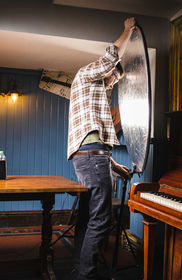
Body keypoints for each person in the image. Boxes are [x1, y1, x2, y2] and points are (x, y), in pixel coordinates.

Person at [67, 17, 136, 280]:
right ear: (105, 70)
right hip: (92, 159)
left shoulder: (93, 92)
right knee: (102, 219)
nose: (113, 82)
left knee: (88, 217)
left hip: (90, 158)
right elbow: (110, 57)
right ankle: (87, 274)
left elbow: (96, 145)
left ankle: (79, 269)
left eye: (116, 81)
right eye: (113, 77)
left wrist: (115, 166)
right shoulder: (86, 74)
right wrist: (127, 30)